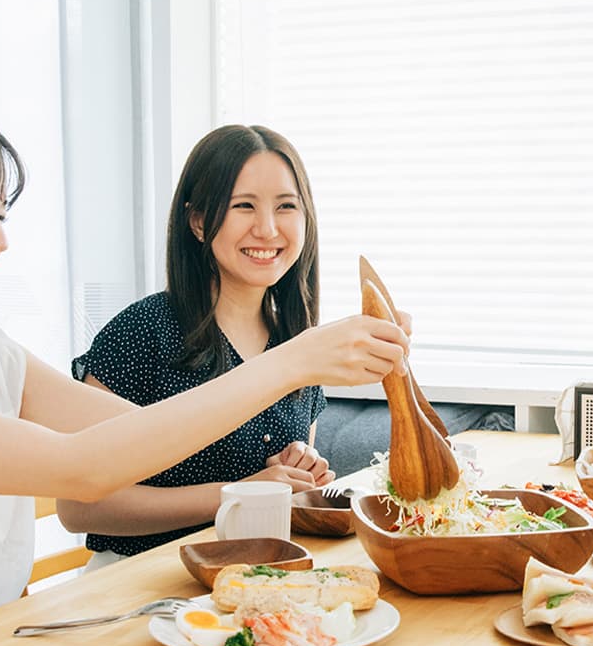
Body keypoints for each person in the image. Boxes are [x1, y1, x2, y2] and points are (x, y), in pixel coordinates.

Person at [0, 98, 408, 646]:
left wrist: (273, 455)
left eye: (2, 214)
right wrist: (296, 362)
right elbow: (81, 471)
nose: (0, 238)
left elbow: (148, 437)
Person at [57, 125, 393, 569]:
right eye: (244, 206)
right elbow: (79, 508)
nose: (268, 228)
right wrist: (242, 492)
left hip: (251, 577)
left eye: (286, 206)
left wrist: (298, 471)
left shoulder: (296, 344)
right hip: (137, 582)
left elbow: (277, 481)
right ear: (198, 221)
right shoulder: (140, 332)